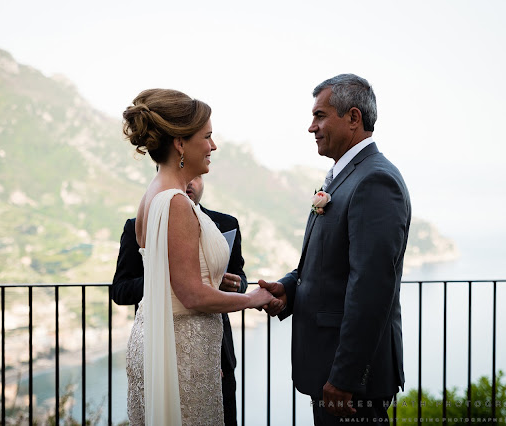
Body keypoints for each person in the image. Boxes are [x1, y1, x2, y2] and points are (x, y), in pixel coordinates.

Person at [260, 74, 411, 425]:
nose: (311, 127)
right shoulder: (345, 176)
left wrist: (345, 377)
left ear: (354, 118)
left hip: (350, 382)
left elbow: (371, 287)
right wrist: (289, 288)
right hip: (329, 367)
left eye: (320, 115)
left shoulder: (375, 180)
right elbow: (332, 263)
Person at [121, 88, 277, 426]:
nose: (213, 145)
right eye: (206, 136)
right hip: (181, 351)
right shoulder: (175, 202)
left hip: (160, 340)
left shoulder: (153, 195)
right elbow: (191, 294)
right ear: (180, 142)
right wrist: (253, 298)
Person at [111, 174, 247, 426]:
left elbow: (240, 276)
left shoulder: (225, 223)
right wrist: (166, 278)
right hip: (160, 350)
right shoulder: (136, 225)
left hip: (216, 352)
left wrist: (236, 285)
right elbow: (119, 290)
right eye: (183, 176)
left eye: (195, 177)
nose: (189, 184)